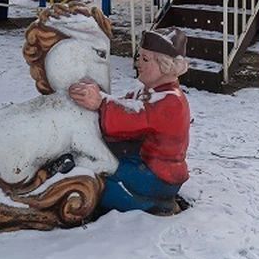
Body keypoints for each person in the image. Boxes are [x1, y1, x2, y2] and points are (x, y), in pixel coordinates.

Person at [68, 27, 191, 215]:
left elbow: (134, 118)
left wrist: (100, 102)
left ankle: (155, 206)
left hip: (158, 175)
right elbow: (124, 104)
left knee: (97, 183)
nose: (137, 63)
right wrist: (99, 98)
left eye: (145, 59)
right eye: (138, 57)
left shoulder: (171, 101)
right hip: (140, 160)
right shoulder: (146, 90)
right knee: (93, 165)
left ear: (166, 65)